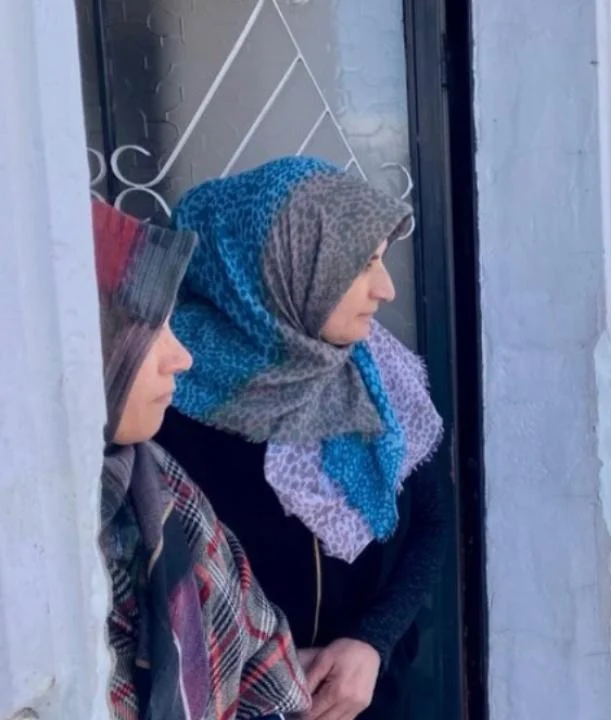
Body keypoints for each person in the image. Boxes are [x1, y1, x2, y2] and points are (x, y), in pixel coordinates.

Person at [152, 156, 446, 720]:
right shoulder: (167, 395)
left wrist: (373, 642)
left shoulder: (377, 374)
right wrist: (261, 671)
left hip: (366, 697)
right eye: (362, 264)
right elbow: (156, 590)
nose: (386, 288)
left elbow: (430, 523)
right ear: (285, 270)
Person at [91, 198, 310, 719]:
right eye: (150, 328)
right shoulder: (188, 423)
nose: (183, 357)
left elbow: (255, 635)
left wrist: (372, 641)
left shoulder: (157, 481)